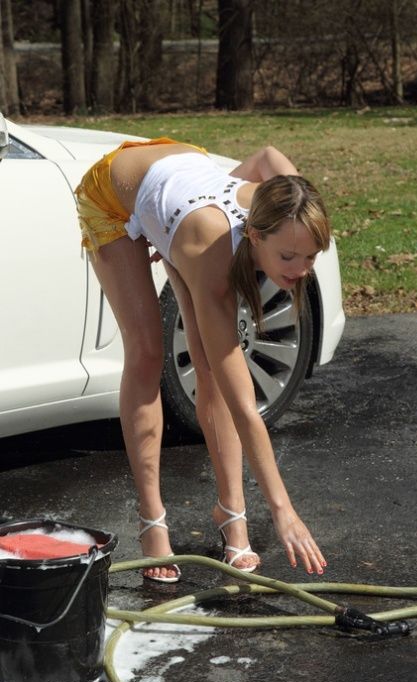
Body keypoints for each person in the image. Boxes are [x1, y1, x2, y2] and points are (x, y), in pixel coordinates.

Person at [75, 137, 330, 582]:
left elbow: (267, 156)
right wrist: (283, 510)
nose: (299, 269)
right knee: (148, 353)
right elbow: (244, 407)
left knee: (210, 368)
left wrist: (175, 228)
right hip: (114, 192)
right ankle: (152, 521)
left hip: (185, 170)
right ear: (254, 234)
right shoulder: (213, 260)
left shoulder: (283, 201)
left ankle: (231, 515)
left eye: (310, 256)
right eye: (287, 256)